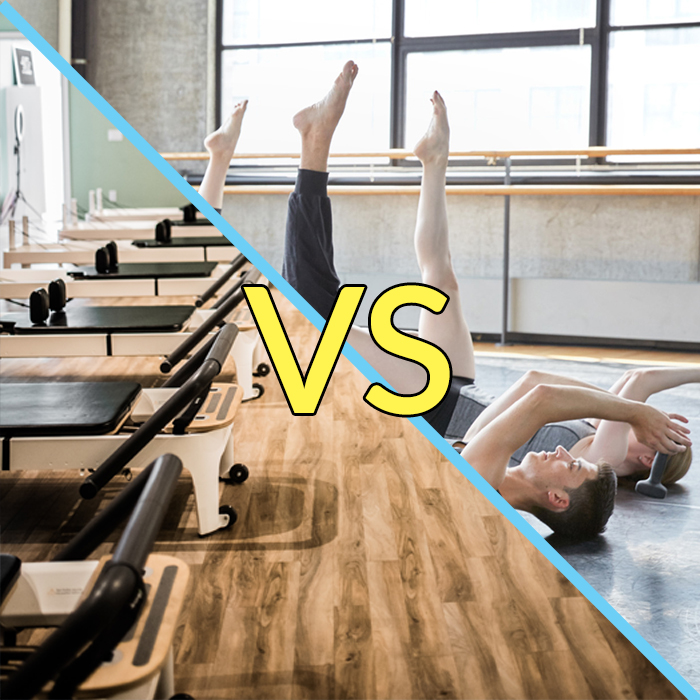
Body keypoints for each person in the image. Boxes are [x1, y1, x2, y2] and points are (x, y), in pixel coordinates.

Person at [201, 63, 693, 539]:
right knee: (433, 278)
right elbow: (540, 381)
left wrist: (637, 414)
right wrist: (635, 409)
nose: (568, 457)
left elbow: (583, 393)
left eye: (572, 466)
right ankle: (427, 159)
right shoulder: (564, 447)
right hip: (455, 390)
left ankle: (298, 148)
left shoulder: (542, 472)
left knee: (305, 308)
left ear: (651, 457)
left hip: (426, 405)